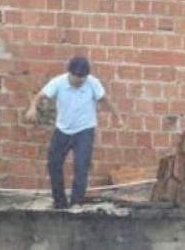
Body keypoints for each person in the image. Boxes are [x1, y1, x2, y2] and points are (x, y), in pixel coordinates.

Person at [25, 56, 121, 209]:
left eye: (82, 79)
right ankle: (60, 202)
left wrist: (118, 118)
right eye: (76, 79)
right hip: (63, 129)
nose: (79, 82)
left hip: (84, 130)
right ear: (69, 73)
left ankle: (76, 202)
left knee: (81, 166)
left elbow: (106, 100)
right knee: (53, 164)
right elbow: (40, 95)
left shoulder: (92, 83)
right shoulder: (58, 82)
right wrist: (32, 108)